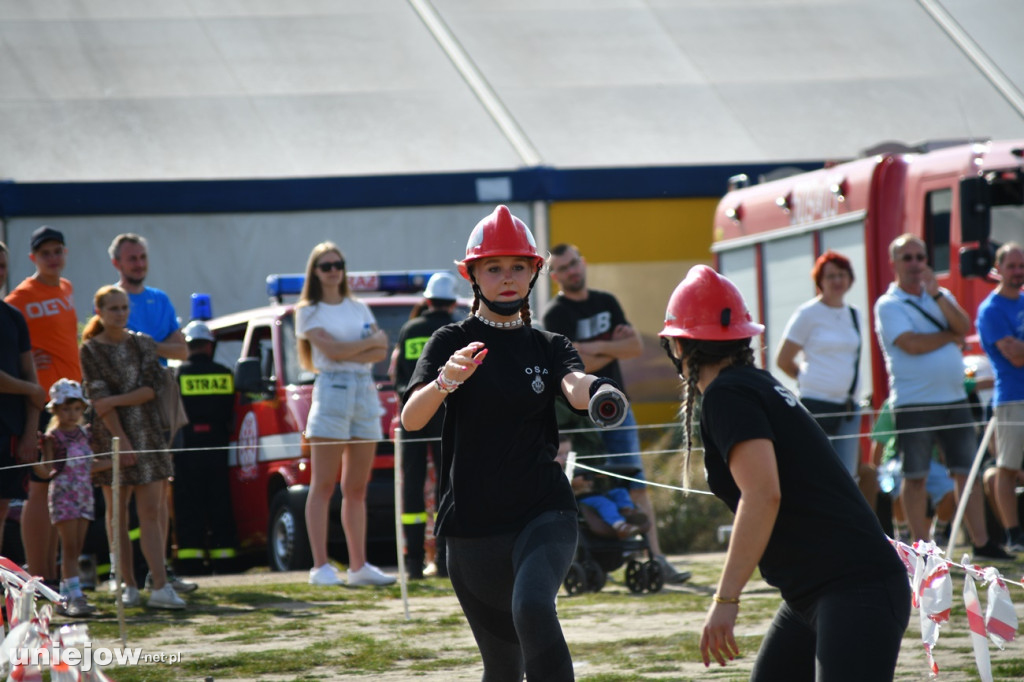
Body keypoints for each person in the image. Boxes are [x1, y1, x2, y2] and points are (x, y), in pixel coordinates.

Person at [401, 205, 629, 681]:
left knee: (532, 608)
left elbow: (573, 384)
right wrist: (446, 381)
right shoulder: (450, 339)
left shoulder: (549, 345)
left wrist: (600, 394)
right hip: (471, 526)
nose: (508, 277)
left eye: (518, 267)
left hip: (544, 511)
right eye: (494, 267)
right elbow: (411, 418)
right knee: (502, 668)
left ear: (533, 273)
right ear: (473, 275)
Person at [659, 265, 910, 680]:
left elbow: (763, 495)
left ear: (679, 347)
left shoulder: (727, 395)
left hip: (853, 588)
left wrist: (725, 600)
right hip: (815, 593)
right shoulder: (753, 383)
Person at [542, 243, 685, 581]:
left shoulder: (607, 302)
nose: (571, 271)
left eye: (574, 263)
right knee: (587, 486)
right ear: (554, 276)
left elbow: (633, 347)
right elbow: (572, 367)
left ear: (583, 262)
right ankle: (589, 558)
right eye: (562, 268)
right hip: (580, 414)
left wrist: (592, 349)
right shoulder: (554, 315)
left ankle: (655, 558)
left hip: (619, 408)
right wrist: (611, 347)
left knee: (634, 482)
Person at [874, 234, 1010, 558]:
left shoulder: (940, 295)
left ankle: (982, 542)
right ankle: (922, 548)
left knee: (967, 473)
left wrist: (937, 297)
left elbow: (963, 325)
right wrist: (949, 336)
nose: (916, 264)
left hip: (953, 399)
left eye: (920, 257)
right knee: (915, 475)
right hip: (913, 402)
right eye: (907, 258)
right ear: (894, 263)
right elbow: (910, 344)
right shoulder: (888, 304)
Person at [295, 242, 395, 587]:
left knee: (356, 487)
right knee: (322, 485)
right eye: (325, 265)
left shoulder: (358, 307)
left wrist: (349, 351)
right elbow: (331, 352)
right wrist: (362, 347)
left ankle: (358, 566)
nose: (334, 270)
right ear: (315, 272)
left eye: (338, 263)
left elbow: (383, 349)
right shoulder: (308, 310)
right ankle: (320, 566)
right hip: (332, 389)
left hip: (365, 389)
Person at [80, 285, 186, 609]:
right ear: (99, 312)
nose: (121, 313)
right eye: (113, 308)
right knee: (117, 515)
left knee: (152, 512)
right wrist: (120, 438)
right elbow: (97, 400)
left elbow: (151, 389)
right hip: (110, 434)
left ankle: (160, 584)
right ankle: (126, 584)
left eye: (124, 307)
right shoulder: (89, 349)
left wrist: (113, 400)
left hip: (148, 432)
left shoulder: (143, 343)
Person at [108, 233, 194, 594]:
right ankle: (122, 575)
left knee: (158, 497)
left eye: (142, 257)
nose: (139, 264)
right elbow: (107, 348)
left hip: (157, 404)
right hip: (123, 406)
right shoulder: (110, 300)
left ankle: (160, 572)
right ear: (117, 264)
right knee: (121, 498)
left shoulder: (159, 298)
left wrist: (145, 344)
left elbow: (182, 350)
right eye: (132, 258)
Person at [5, 226, 82, 585]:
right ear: (33, 258)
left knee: (62, 486)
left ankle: (59, 576)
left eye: (58, 250)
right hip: (44, 403)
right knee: (39, 485)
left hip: (70, 402)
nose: (54, 258)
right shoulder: (20, 297)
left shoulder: (66, 289)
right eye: (46, 252)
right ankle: (39, 575)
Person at [393, 271, 461, 579]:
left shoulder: (409, 329)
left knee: (412, 487)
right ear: (451, 303)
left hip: (413, 415)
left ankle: (413, 565)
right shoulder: (455, 331)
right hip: (446, 415)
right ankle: (445, 560)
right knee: (446, 485)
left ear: (428, 300)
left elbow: (399, 377)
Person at [775, 250, 862, 477]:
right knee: (816, 472)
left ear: (850, 279)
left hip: (848, 408)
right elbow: (783, 359)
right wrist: (808, 379)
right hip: (815, 405)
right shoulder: (808, 313)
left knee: (847, 477)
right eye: (831, 276)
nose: (837, 281)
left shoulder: (854, 314)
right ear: (820, 281)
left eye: (842, 275)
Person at [37, 379, 111, 617]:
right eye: (66, 408)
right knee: (69, 548)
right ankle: (72, 597)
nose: (72, 413)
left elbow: (88, 465)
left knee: (78, 547)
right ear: (56, 410)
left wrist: (117, 459)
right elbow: (45, 469)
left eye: (77, 408)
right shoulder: (53, 437)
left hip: (84, 494)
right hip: (63, 495)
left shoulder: (84, 434)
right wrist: (39, 451)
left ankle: (71, 594)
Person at [172, 321, 238, 573]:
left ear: (187, 346)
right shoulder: (225, 373)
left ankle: (191, 562)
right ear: (210, 346)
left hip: (187, 449)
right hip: (219, 448)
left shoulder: (178, 375)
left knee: (189, 506)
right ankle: (226, 560)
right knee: (221, 503)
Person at [976, 242, 1024, 552]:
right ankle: (1013, 534)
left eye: (1021, 266)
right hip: (1011, 399)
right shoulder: (990, 310)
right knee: (1007, 468)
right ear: (998, 269)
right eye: (1012, 266)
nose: (1018, 272)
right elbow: (1015, 357)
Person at [0, 241, 47, 555]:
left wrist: (30, 431)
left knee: (1, 512)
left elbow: (32, 375)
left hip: (10, 431)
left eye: (2, 265)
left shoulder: (13, 317)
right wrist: (32, 390)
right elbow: (32, 387)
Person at [871, 396, 956, 544]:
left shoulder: (935, 401)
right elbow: (879, 443)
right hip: (897, 460)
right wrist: (876, 475)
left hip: (930, 462)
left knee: (952, 488)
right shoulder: (891, 404)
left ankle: (937, 534)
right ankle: (902, 534)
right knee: (899, 486)